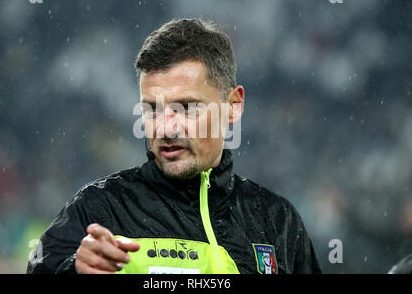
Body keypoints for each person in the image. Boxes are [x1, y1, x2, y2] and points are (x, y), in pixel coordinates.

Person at [27, 18, 321, 274]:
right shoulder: (99, 211)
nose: (165, 128)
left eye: (186, 107)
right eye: (152, 109)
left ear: (233, 106)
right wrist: (75, 270)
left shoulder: (277, 221)